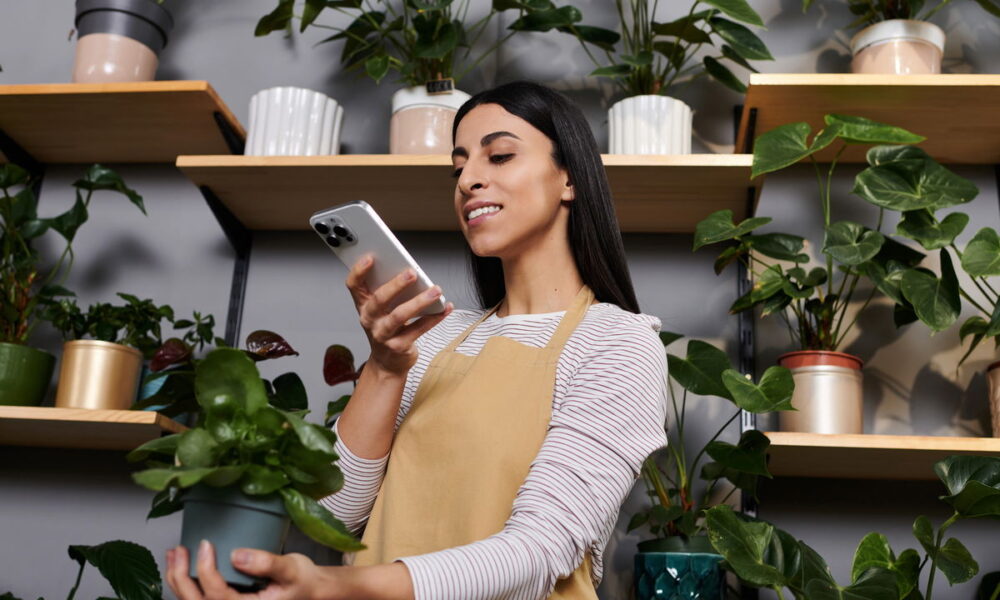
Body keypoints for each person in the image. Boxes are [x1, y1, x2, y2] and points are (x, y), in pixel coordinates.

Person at [165, 81, 669, 600]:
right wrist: (384, 366)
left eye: (499, 156)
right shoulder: (435, 335)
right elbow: (337, 512)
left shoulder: (618, 345)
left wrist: (331, 587)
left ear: (569, 179)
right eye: (458, 168)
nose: (469, 179)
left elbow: (538, 553)